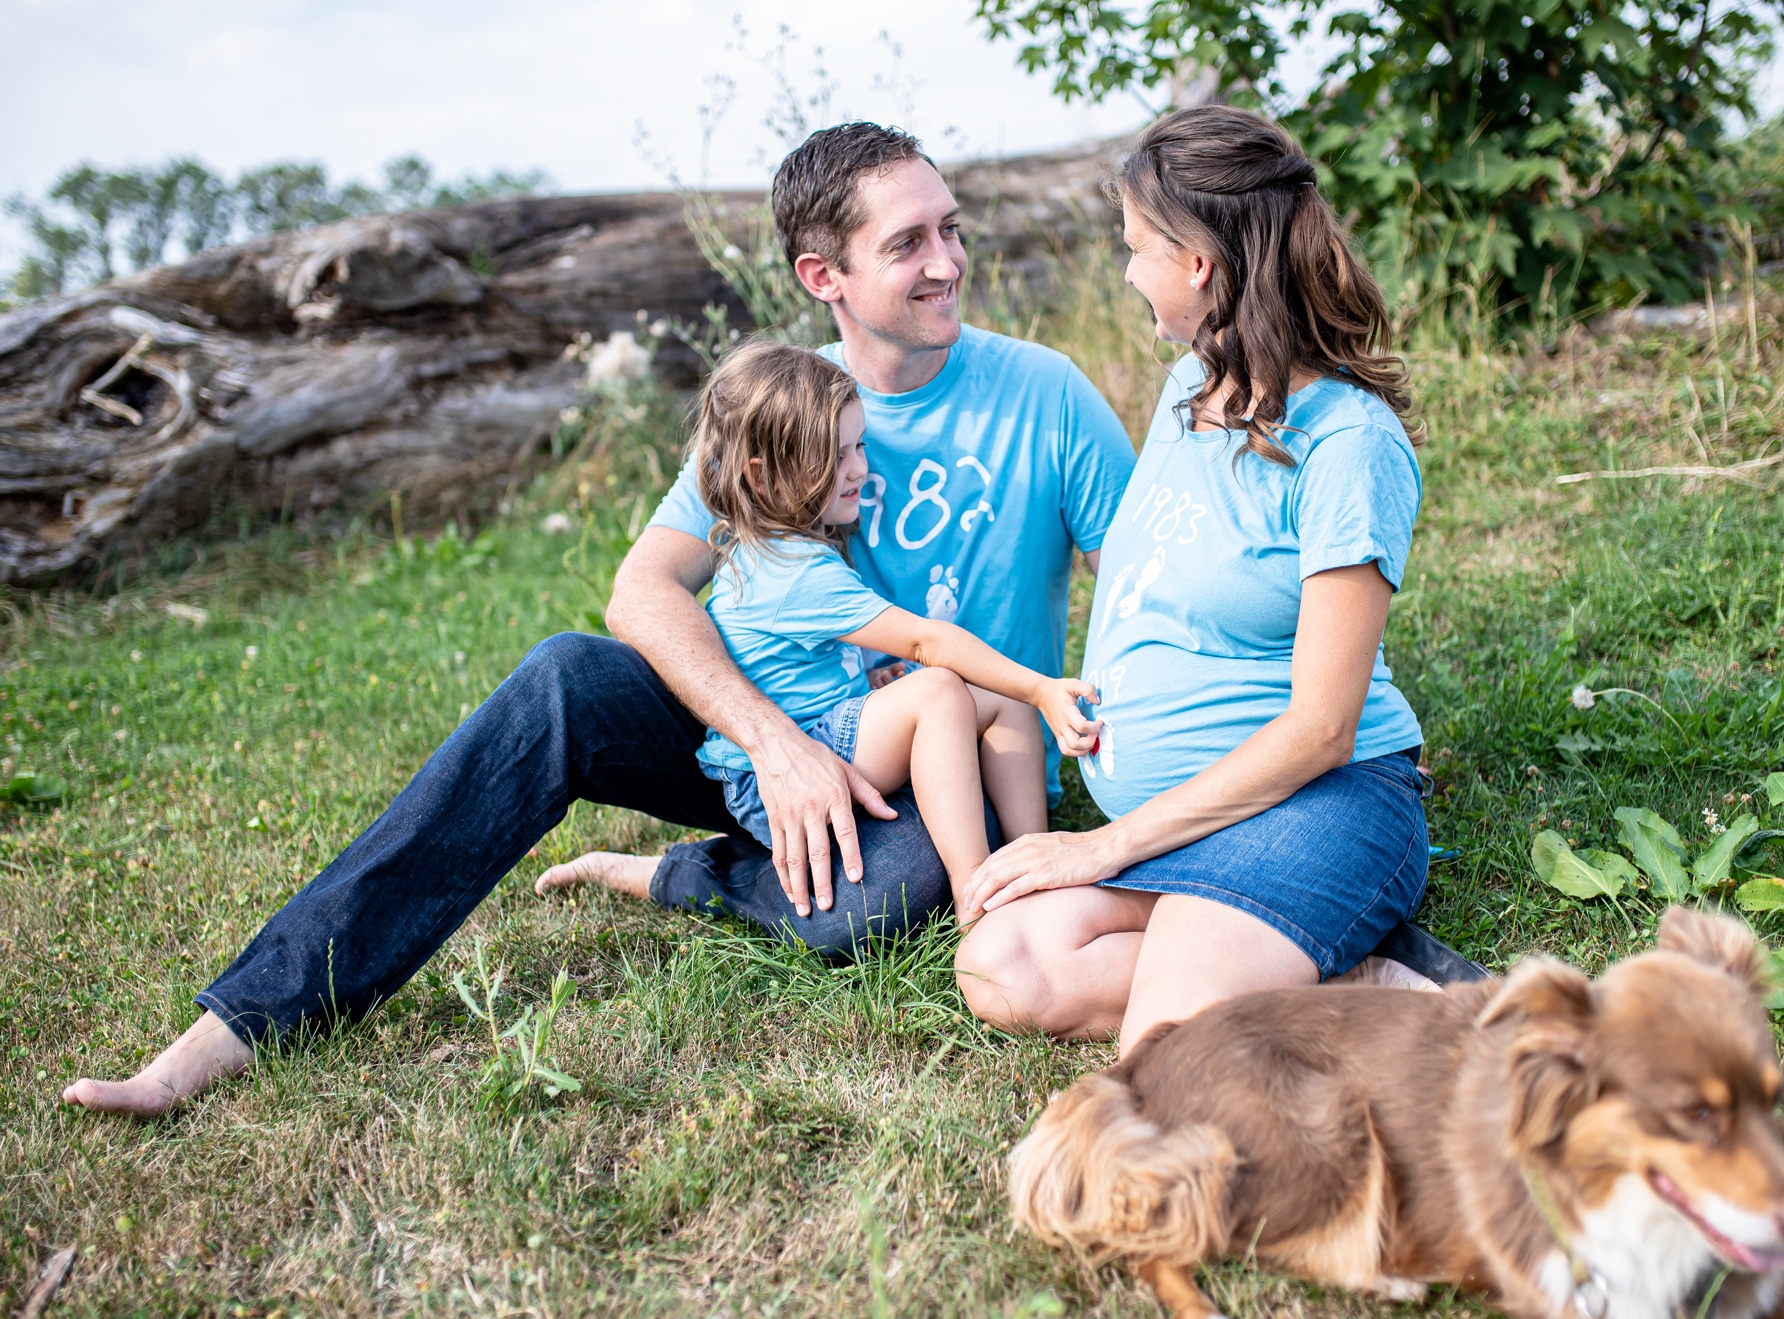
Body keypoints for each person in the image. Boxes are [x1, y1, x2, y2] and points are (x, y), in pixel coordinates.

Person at [61, 121, 1137, 1118]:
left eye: (950, 227)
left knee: (894, 893)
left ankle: (682, 874)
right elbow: (641, 591)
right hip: (776, 735)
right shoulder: (789, 404)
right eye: (908, 242)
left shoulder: (1044, 395)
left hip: (928, 766)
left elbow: (1145, 586)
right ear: (825, 277)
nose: (948, 260)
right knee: (564, 676)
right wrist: (773, 744)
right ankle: (236, 1025)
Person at [952, 104, 1448, 1053]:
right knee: (1001, 965)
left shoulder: (1348, 445)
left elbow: (1323, 729)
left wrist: (1104, 847)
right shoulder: (1190, 387)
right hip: (1184, 822)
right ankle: (1343, 970)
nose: (1126, 269)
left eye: (1135, 247)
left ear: (1200, 267)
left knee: (1168, 1052)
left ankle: (1308, 958)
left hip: (1313, 803)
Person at [684, 340, 1099, 909]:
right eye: (837, 456)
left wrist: (874, 687)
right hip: (781, 777)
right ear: (765, 478)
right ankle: (978, 899)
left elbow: (796, 667)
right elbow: (926, 639)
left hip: (822, 729)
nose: (860, 468)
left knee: (1004, 698)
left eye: (859, 446)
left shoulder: (781, 550)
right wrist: (1042, 686)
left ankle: (1032, 862)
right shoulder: (793, 571)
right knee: (940, 690)